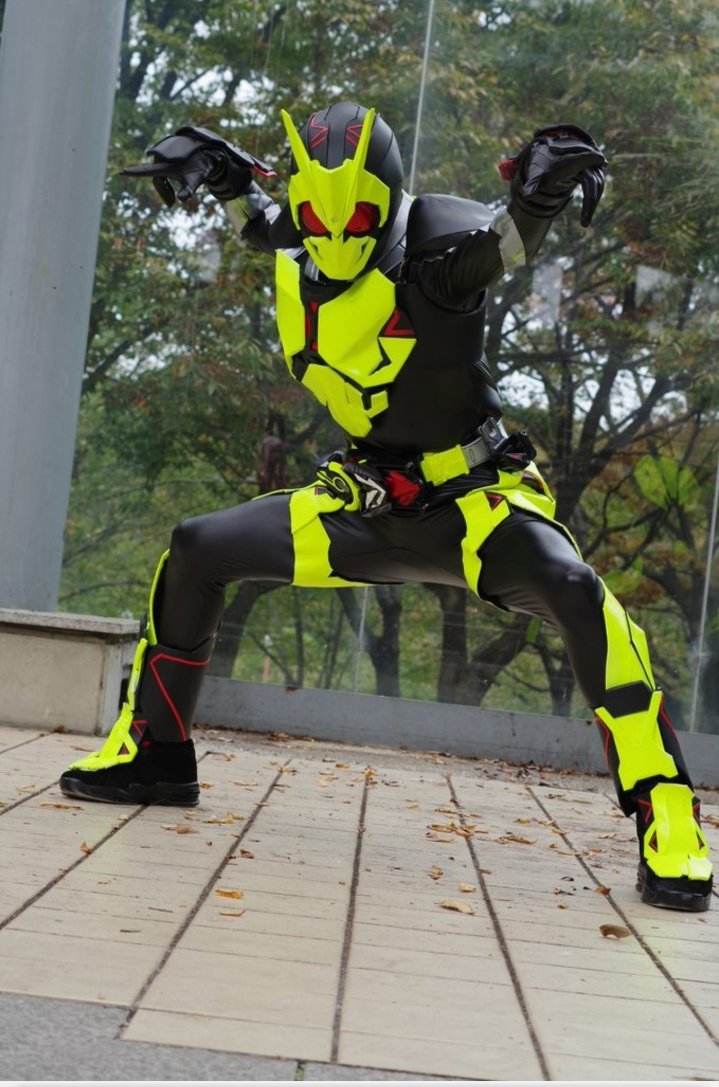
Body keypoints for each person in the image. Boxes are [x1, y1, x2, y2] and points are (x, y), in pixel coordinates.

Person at [60, 103, 713, 912]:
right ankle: (155, 754)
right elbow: (263, 221)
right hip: (360, 507)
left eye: (358, 221)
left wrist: (537, 197)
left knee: (580, 595)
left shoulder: (438, 255)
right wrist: (228, 180)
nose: (334, 238)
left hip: (473, 508)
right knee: (195, 549)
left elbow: (503, 245)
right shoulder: (297, 239)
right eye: (317, 220)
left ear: (390, 205)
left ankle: (666, 809)